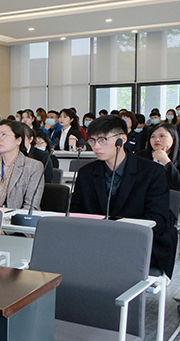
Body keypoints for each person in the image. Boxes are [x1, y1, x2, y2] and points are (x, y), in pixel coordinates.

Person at [71, 116, 176, 277]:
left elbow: (157, 218)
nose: (96, 146)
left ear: (122, 139)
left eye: (103, 140)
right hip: (95, 241)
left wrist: (117, 233)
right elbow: (75, 212)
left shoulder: (152, 172)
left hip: (136, 242)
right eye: (92, 140)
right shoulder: (86, 173)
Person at [0, 120, 44, 210]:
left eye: (4, 134)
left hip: (20, 217)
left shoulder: (33, 167)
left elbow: (31, 206)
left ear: (18, 140)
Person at [137, 122, 180, 191]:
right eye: (153, 136)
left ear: (173, 138)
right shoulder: (141, 155)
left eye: (162, 136)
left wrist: (166, 162)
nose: (157, 139)